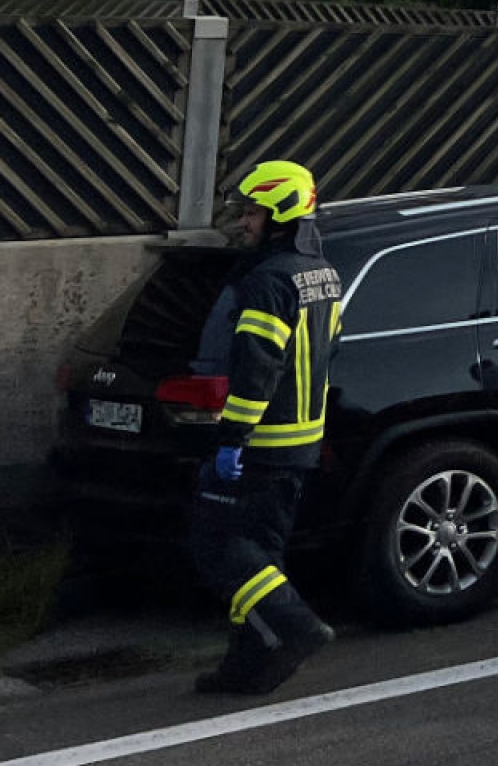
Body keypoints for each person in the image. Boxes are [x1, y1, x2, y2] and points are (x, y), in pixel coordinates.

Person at [191, 160, 343, 695]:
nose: (245, 222)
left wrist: (231, 439)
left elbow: (258, 367)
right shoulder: (321, 271)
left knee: (218, 546)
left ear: (280, 214)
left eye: (253, 212)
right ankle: (248, 666)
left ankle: (298, 627)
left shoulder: (268, 281)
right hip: (302, 443)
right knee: (263, 555)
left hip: (263, 444)